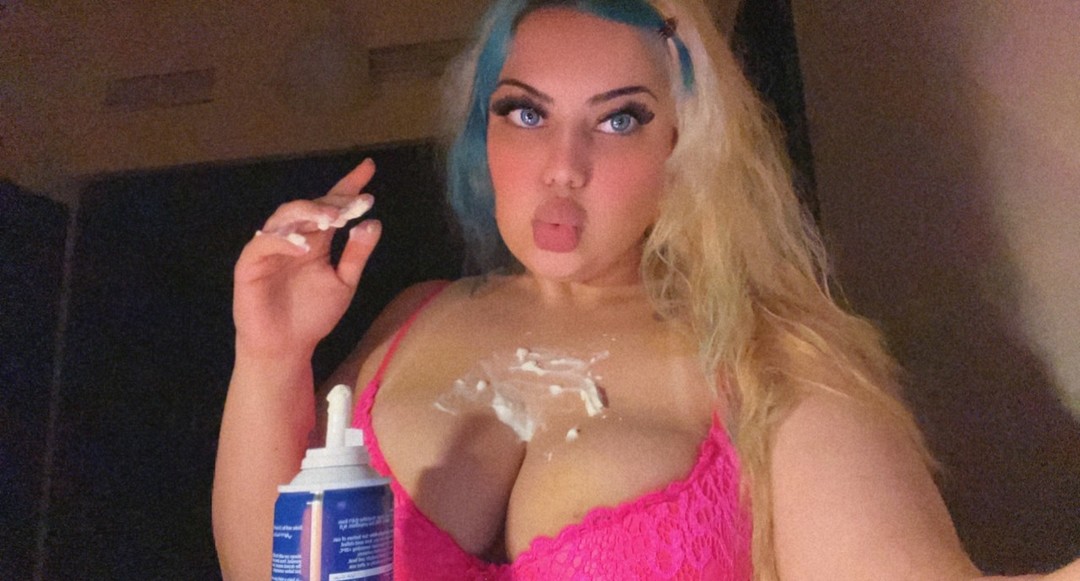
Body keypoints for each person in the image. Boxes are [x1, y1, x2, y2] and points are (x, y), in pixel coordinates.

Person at [212, 0, 1080, 579]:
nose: (562, 165)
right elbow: (264, 567)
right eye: (525, 111)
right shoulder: (414, 317)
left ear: (686, 147)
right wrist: (271, 357)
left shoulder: (771, 360)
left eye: (619, 119)